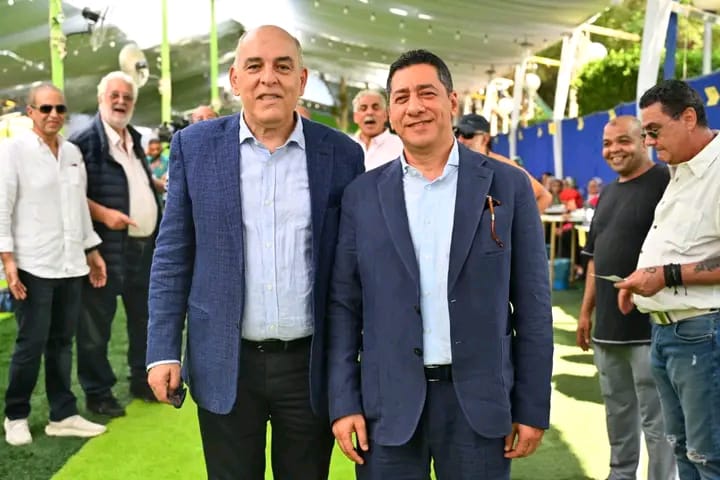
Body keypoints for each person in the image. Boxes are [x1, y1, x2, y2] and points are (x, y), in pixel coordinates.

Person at [145, 25, 364, 480]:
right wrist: (163, 351)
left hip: (309, 367)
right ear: (235, 79)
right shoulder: (194, 147)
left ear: (301, 80)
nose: (269, 78)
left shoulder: (342, 154)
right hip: (225, 360)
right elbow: (172, 254)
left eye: (283, 66)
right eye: (255, 66)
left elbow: (352, 267)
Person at [327, 49, 553, 480]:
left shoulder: (507, 186)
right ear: (391, 113)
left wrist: (531, 406)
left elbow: (534, 305)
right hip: (386, 410)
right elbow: (343, 305)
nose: (414, 107)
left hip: (480, 407)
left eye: (426, 93)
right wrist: (344, 402)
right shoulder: (361, 195)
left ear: (452, 102)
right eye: (401, 97)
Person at [616, 79, 720, 479]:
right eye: (646, 133)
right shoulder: (682, 168)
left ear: (689, 117)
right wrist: (642, 280)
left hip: (703, 334)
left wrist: (665, 276)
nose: (649, 142)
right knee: (683, 451)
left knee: (708, 457)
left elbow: (677, 264)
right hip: (668, 333)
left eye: (654, 131)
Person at [0, 84, 107, 445]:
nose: (53, 115)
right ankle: (16, 414)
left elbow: (79, 206)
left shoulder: (73, 152)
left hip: (71, 264)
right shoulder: (13, 150)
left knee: (62, 343)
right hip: (33, 264)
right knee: (31, 343)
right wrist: (8, 261)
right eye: (45, 108)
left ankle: (62, 414)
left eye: (60, 108)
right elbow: (2, 206)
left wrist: (92, 250)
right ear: (30, 112)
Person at [577, 116, 674, 480]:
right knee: (617, 411)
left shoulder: (665, 181)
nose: (614, 150)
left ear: (644, 140)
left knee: (658, 419)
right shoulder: (607, 194)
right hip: (608, 330)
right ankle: (620, 475)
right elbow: (594, 259)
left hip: (652, 327)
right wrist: (585, 313)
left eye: (623, 141)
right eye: (607, 143)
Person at [70, 71, 163, 417]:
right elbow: (69, 194)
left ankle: (142, 379)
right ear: (100, 98)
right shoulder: (84, 143)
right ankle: (98, 393)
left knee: (145, 319)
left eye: (127, 97)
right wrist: (104, 214)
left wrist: (153, 187)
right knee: (96, 325)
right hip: (106, 249)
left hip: (144, 247)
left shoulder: (134, 140)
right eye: (115, 95)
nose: (121, 101)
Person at [454, 113, 552, 212]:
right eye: (457, 134)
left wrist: (524, 221)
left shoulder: (504, 166)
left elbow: (544, 196)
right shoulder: (453, 165)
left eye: (467, 135)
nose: (460, 140)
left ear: (485, 139)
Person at [351, 89, 403, 170]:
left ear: (386, 114)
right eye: (363, 108)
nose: (370, 112)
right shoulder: (344, 145)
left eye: (375, 108)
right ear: (355, 117)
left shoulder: (402, 146)